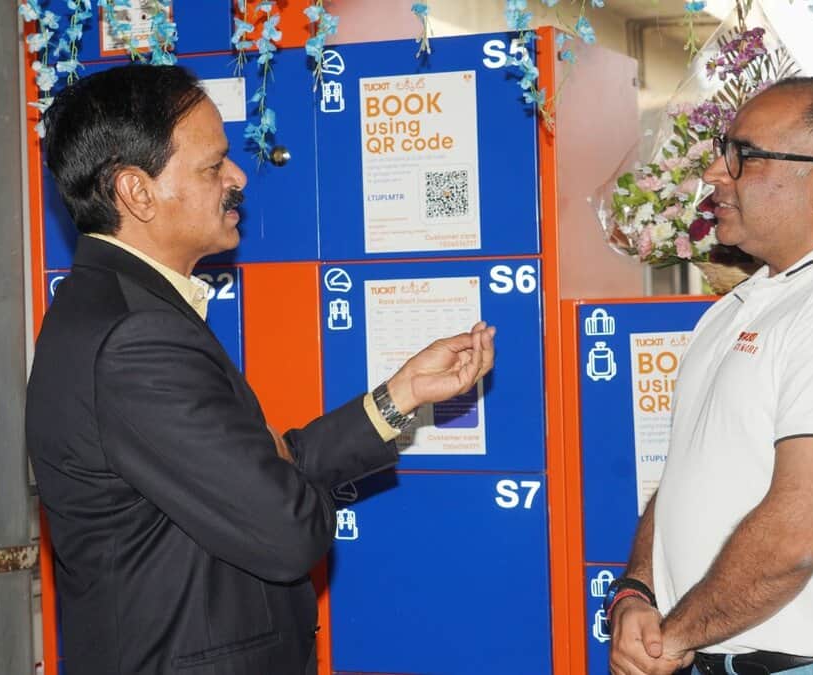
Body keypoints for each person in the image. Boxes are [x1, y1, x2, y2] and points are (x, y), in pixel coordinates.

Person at [25, 64, 495, 675]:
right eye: (213, 165)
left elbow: (254, 482)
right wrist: (278, 483)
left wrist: (398, 396)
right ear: (137, 193)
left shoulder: (121, 310)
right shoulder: (136, 338)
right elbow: (288, 530)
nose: (238, 177)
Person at [605, 76, 813, 675]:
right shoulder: (742, 304)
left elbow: (796, 535)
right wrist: (639, 592)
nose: (714, 172)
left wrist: (675, 636)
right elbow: (688, 475)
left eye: (744, 156)